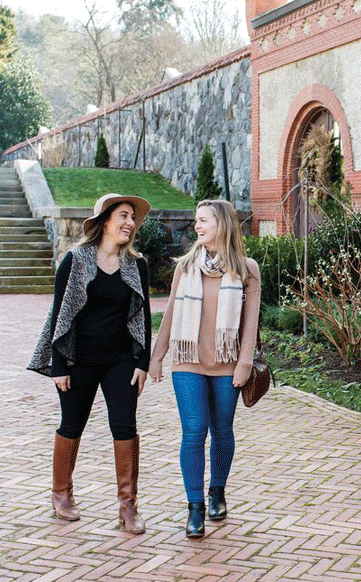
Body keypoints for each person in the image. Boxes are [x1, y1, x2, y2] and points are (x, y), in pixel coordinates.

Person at [28, 193, 153, 534]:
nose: (129, 223)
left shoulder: (136, 265)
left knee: (125, 427)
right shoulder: (76, 259)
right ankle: (61, 493)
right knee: (72, 424)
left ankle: (128, 508)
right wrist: (59, 366)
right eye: (123, 216)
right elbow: (59, 313)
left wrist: (143, 362)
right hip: (78, 360)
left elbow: (143, 316)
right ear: (105, 221)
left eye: (132, 218)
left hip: (120, 361)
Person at [149, 199, 261, 540]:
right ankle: (195, 509)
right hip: (188, 361)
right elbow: (169, 313)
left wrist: (244, 364)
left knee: (222, 430)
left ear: (222, 225)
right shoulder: (185, 267)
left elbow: (250, 324)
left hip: (227, 365)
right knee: (195, 431)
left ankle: (217, 492)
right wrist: (157, 356)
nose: (197, 227)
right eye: (196, 221)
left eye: (204, 221)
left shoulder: (247, 269)